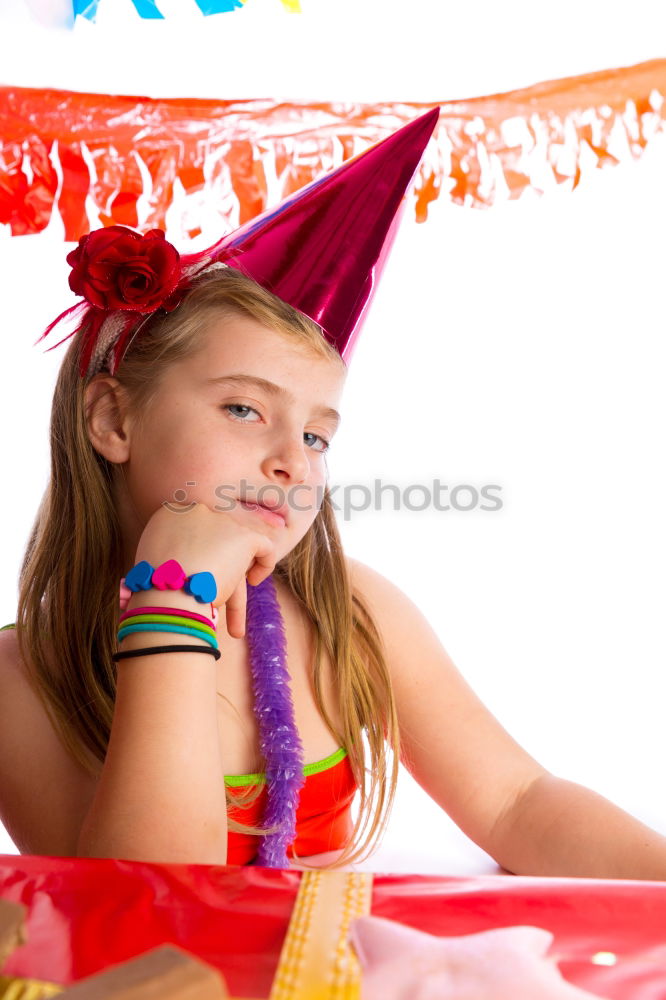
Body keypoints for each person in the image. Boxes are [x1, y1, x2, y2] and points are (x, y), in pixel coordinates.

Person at [1, 109, 665, 878]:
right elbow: (151, 903)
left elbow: (518, 803)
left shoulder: (349, 610)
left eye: (317, 435)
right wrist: (171, 598)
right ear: (114, 418)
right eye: (244, 409)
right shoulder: (22, 683)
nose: (292, 461)